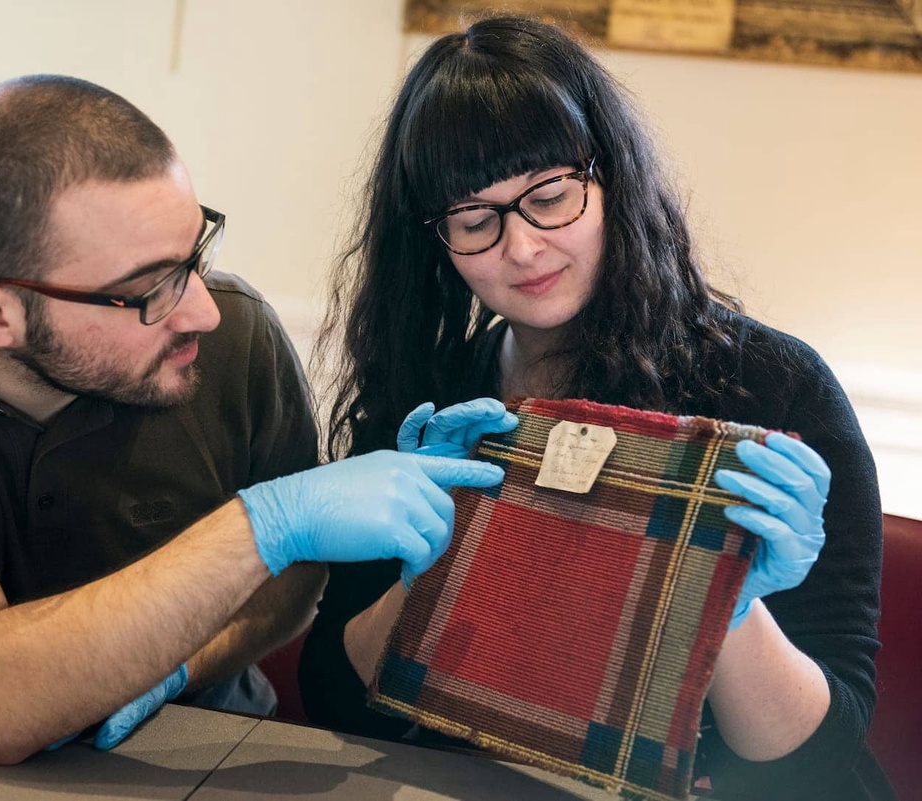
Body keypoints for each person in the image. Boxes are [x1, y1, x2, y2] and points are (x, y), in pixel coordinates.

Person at [0, 74, 507, 766]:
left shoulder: (232, 336)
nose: (201, 308)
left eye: (195, 253)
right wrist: (263, 523)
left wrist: (178, 664)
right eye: (147, 288)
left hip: (200, 751)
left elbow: (292, 583)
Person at [299, 16, 889, 800]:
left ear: (611, 178)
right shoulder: (430, 401)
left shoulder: (773, 390)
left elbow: (814, 762)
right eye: (475, 220)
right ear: (433, 239)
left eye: (550, 196)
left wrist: (728, 605)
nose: (523, 249)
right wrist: (432, 570)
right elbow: (337, 701)